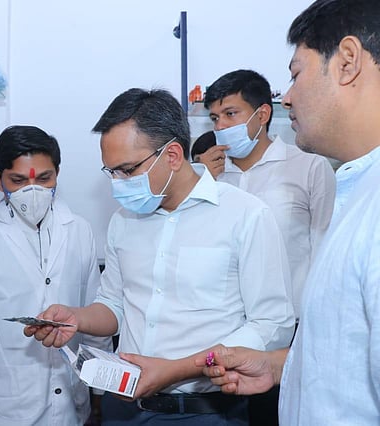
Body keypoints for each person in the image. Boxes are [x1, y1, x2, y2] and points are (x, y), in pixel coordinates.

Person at [25, 88, 295, 425]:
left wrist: (178, 369)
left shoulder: (245, 215)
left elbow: (271, 324)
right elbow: (114, 305)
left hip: (206, 412)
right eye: (111, 172)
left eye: (127, 170)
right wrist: (77, 318)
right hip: (124, 408)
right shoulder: (123, 221)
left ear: (172, 155)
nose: (118, 184)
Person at [199, 1, 380, 424]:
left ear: (348, 61)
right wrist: (280, 366)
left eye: (296, 74)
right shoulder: (360, 186)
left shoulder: (336, 183)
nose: (289, 96)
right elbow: (343, 350)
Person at [0, 125, 109, 426]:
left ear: (57, 174)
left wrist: (100, 394)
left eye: (44, 178)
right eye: (18, 181)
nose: (33, 190)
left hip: (71, 403)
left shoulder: (79, 230)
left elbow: (95, 315)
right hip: (7, 409)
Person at [200, 69, 336, 425]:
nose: (221, 125)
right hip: (224, 328)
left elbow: (325, 251)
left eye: (231, 113)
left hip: (291, 330)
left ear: (262, 114)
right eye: (214, 118)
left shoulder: (308, 167)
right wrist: (201, 186)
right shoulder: (209, 177)